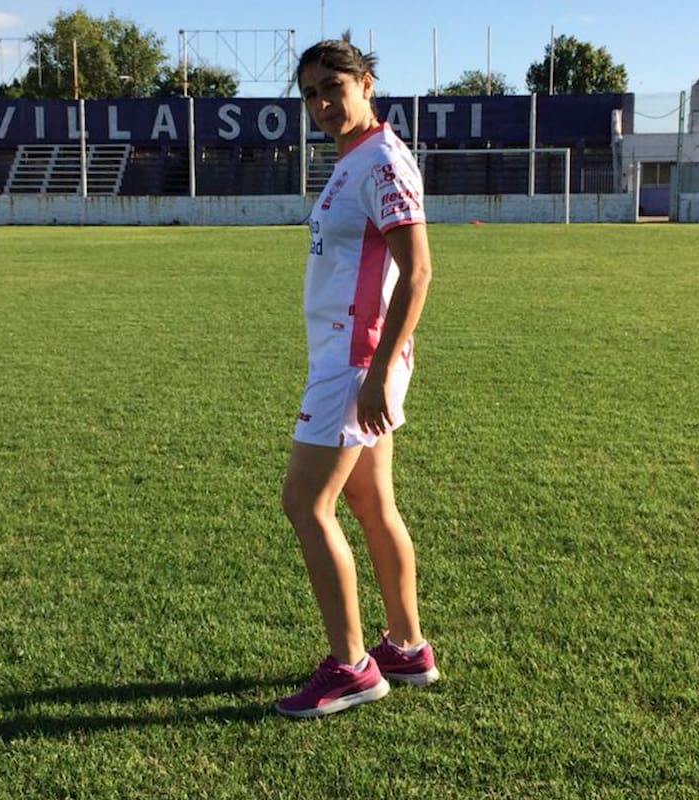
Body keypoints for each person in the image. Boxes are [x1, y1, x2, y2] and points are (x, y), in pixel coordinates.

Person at [276, 35, 439, 719]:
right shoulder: (353, 159)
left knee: (305, 504)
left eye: (332, 88)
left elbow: (420, 271)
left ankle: (350, 667)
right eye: (310, 93)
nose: (320, 103)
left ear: (366, 84)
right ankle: (406, 648)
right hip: (349, 357)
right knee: (372, 506)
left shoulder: (382, 162)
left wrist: (372, 374)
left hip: (355, 361)